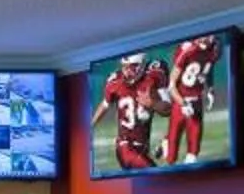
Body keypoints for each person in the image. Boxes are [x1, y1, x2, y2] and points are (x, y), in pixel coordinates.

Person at [95, 52, 165, 171]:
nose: (126, 71)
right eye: (124, 67)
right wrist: (90, 126)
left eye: (131, 67)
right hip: (125, 147)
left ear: (141, 65)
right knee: (157, 175)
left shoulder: (151, 79)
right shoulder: (115, 82)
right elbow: (105, 104)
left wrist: (152, 104)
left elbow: (165, 109)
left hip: (142, 148)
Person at [162, 33, 222, 165]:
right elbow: (171, 85)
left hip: (197, 102)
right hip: (180, 102)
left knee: (193, 154)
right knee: (171, 158)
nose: (208, 39)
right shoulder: (188, 50)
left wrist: (210, 89)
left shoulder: (214, 48)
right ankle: (166, 140)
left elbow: (208, 68)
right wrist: (183, 104)